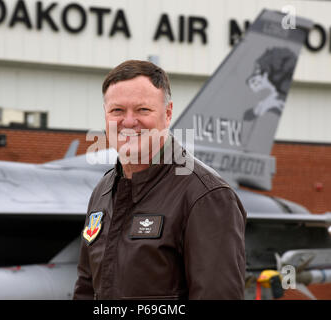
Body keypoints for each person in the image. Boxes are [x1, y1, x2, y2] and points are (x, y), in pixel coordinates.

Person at [73, 60, 246, 300]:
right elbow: (85, 287)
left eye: (143, 110)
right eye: (117, 111)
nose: (129, 122)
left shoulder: (205, 195)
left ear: (167, 113)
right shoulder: (103, 191)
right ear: (105, 115)